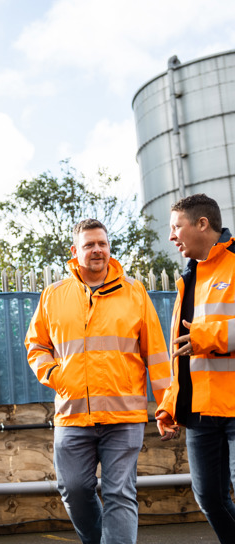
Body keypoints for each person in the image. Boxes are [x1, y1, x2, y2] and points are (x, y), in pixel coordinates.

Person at [25, 218, 170, 544]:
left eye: (102, 244)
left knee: (120, 491)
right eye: (89, 245)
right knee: (74, 489)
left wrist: (166, 406)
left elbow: (157, 353)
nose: (97, 250)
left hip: (124, 414)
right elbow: (36, 345)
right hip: (72, 414)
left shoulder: (134, 292)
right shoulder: (54, 295)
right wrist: (52, 374)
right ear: (75, 252)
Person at [156, 193, 235, 544]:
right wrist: (171, 403)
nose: (172, 236)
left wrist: (209, 335)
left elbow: (199, 338)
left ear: (202, 224)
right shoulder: (188, 277)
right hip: (201, 413)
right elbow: (183, 354)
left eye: (176, 227)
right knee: (210, 500)